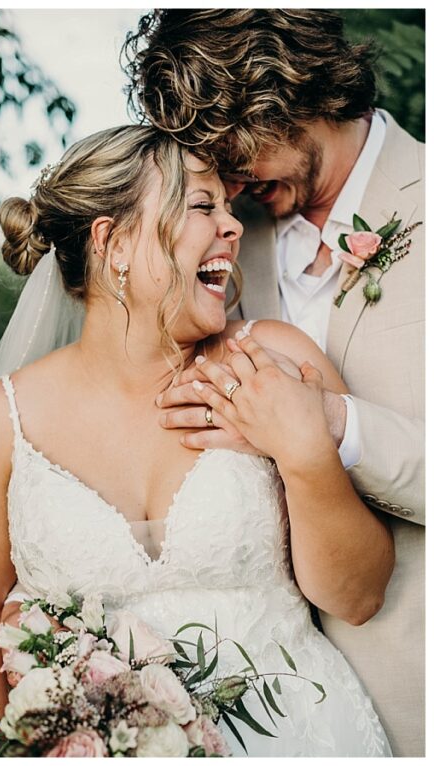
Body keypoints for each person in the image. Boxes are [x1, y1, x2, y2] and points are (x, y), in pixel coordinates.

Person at [0, 126, 393, 756]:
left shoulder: (273, 363)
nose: (233, 227)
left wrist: (302, 450)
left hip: (303, 736)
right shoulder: (4, 420)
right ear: (113, 241)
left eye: (229, 209)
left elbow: (360, 595)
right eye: (204, 206)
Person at [124, 10, 423, 755]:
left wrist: (325, 425)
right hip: (253, 702)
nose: (227, 181)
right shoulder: (224, 235)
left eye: (234, 149)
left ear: (292, 91)